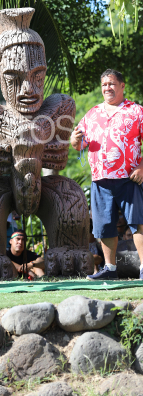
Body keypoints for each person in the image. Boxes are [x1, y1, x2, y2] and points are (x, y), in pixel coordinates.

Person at [71, 69, 143, 280]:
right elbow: (79, 145)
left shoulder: (136, 111)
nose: (107, 88)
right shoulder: (93, 113)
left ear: (122, 86)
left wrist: (141, 166)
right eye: (104, 85)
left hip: (129, 178)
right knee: (104, 226)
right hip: (101, 180)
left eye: (111, 84)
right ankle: (110, 269)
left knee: (137, 222)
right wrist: (75, 140)